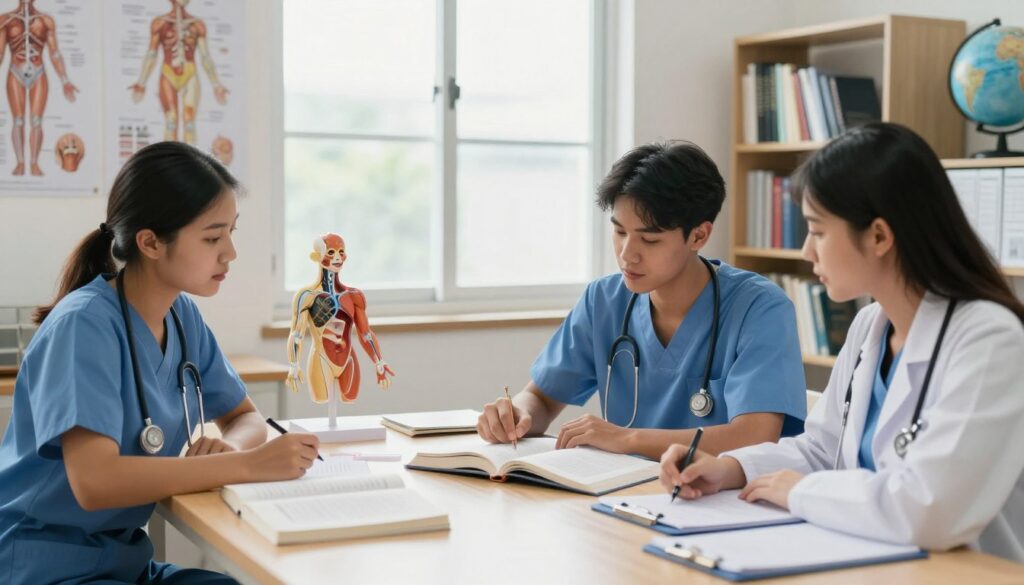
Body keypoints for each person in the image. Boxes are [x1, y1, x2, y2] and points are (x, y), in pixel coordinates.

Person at [659, 123, 1024, 561]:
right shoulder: (871, 325)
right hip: (864, 559)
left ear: (879, 236)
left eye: (817, 230)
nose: (806, 252)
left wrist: (801, 492)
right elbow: (821, 449)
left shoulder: (990, 339)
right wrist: (728, 468)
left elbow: (931, 511)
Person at [0, 142, 320, 584]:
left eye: (231, 232)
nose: (230, 252)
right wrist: (249, 465)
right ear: (149, 242)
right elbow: (95, 482)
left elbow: (243, 416)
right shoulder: (83, 327)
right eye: (212, 237)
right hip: (43, 568)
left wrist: (232, 451)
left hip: (122, 565)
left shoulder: (181, 316)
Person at [477, 141, 807, 460]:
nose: (626, 255)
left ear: (699, 236)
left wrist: (627, 438)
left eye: (649, 239)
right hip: (622, 495)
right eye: (620, 232)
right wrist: (517, 413)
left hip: (723, 501)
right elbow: (543, 397)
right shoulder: (603, 300)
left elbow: (754, 436)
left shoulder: (759, 308)